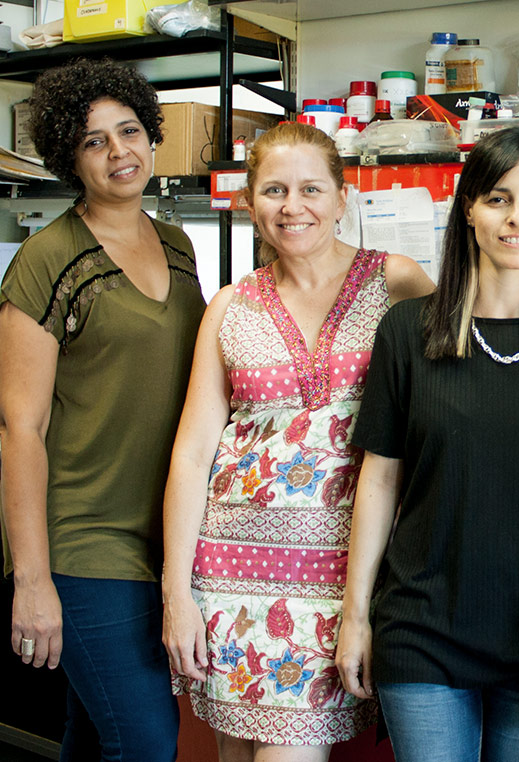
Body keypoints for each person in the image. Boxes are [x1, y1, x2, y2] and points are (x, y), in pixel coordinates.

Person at [160, 122, 433, 761]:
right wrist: (177, 594)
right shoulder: (229, 307)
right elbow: (193, 453)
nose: (293, 206)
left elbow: (445, 413)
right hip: (227, 576)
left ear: (343, 198)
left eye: (311, 189)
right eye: (274, 190)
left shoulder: (398, 283)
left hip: (340, 580)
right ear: (249, 203)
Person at [334, 126, 519, 762]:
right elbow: (379, 481)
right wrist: (356, 615)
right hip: (422, 630)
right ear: (467, 209)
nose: (516, 217)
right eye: (498, 198)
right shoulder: (408, 330)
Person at [0, 59, 206, 760]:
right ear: (68, 156)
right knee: (144, 740)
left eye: (129, 131)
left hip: (162, 533)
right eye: (94, 141)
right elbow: (18, 427)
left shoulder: (177, 245)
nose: (120, 152)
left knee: (95, 732)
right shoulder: (47, 256)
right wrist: (31, 580)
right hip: (82, 538)